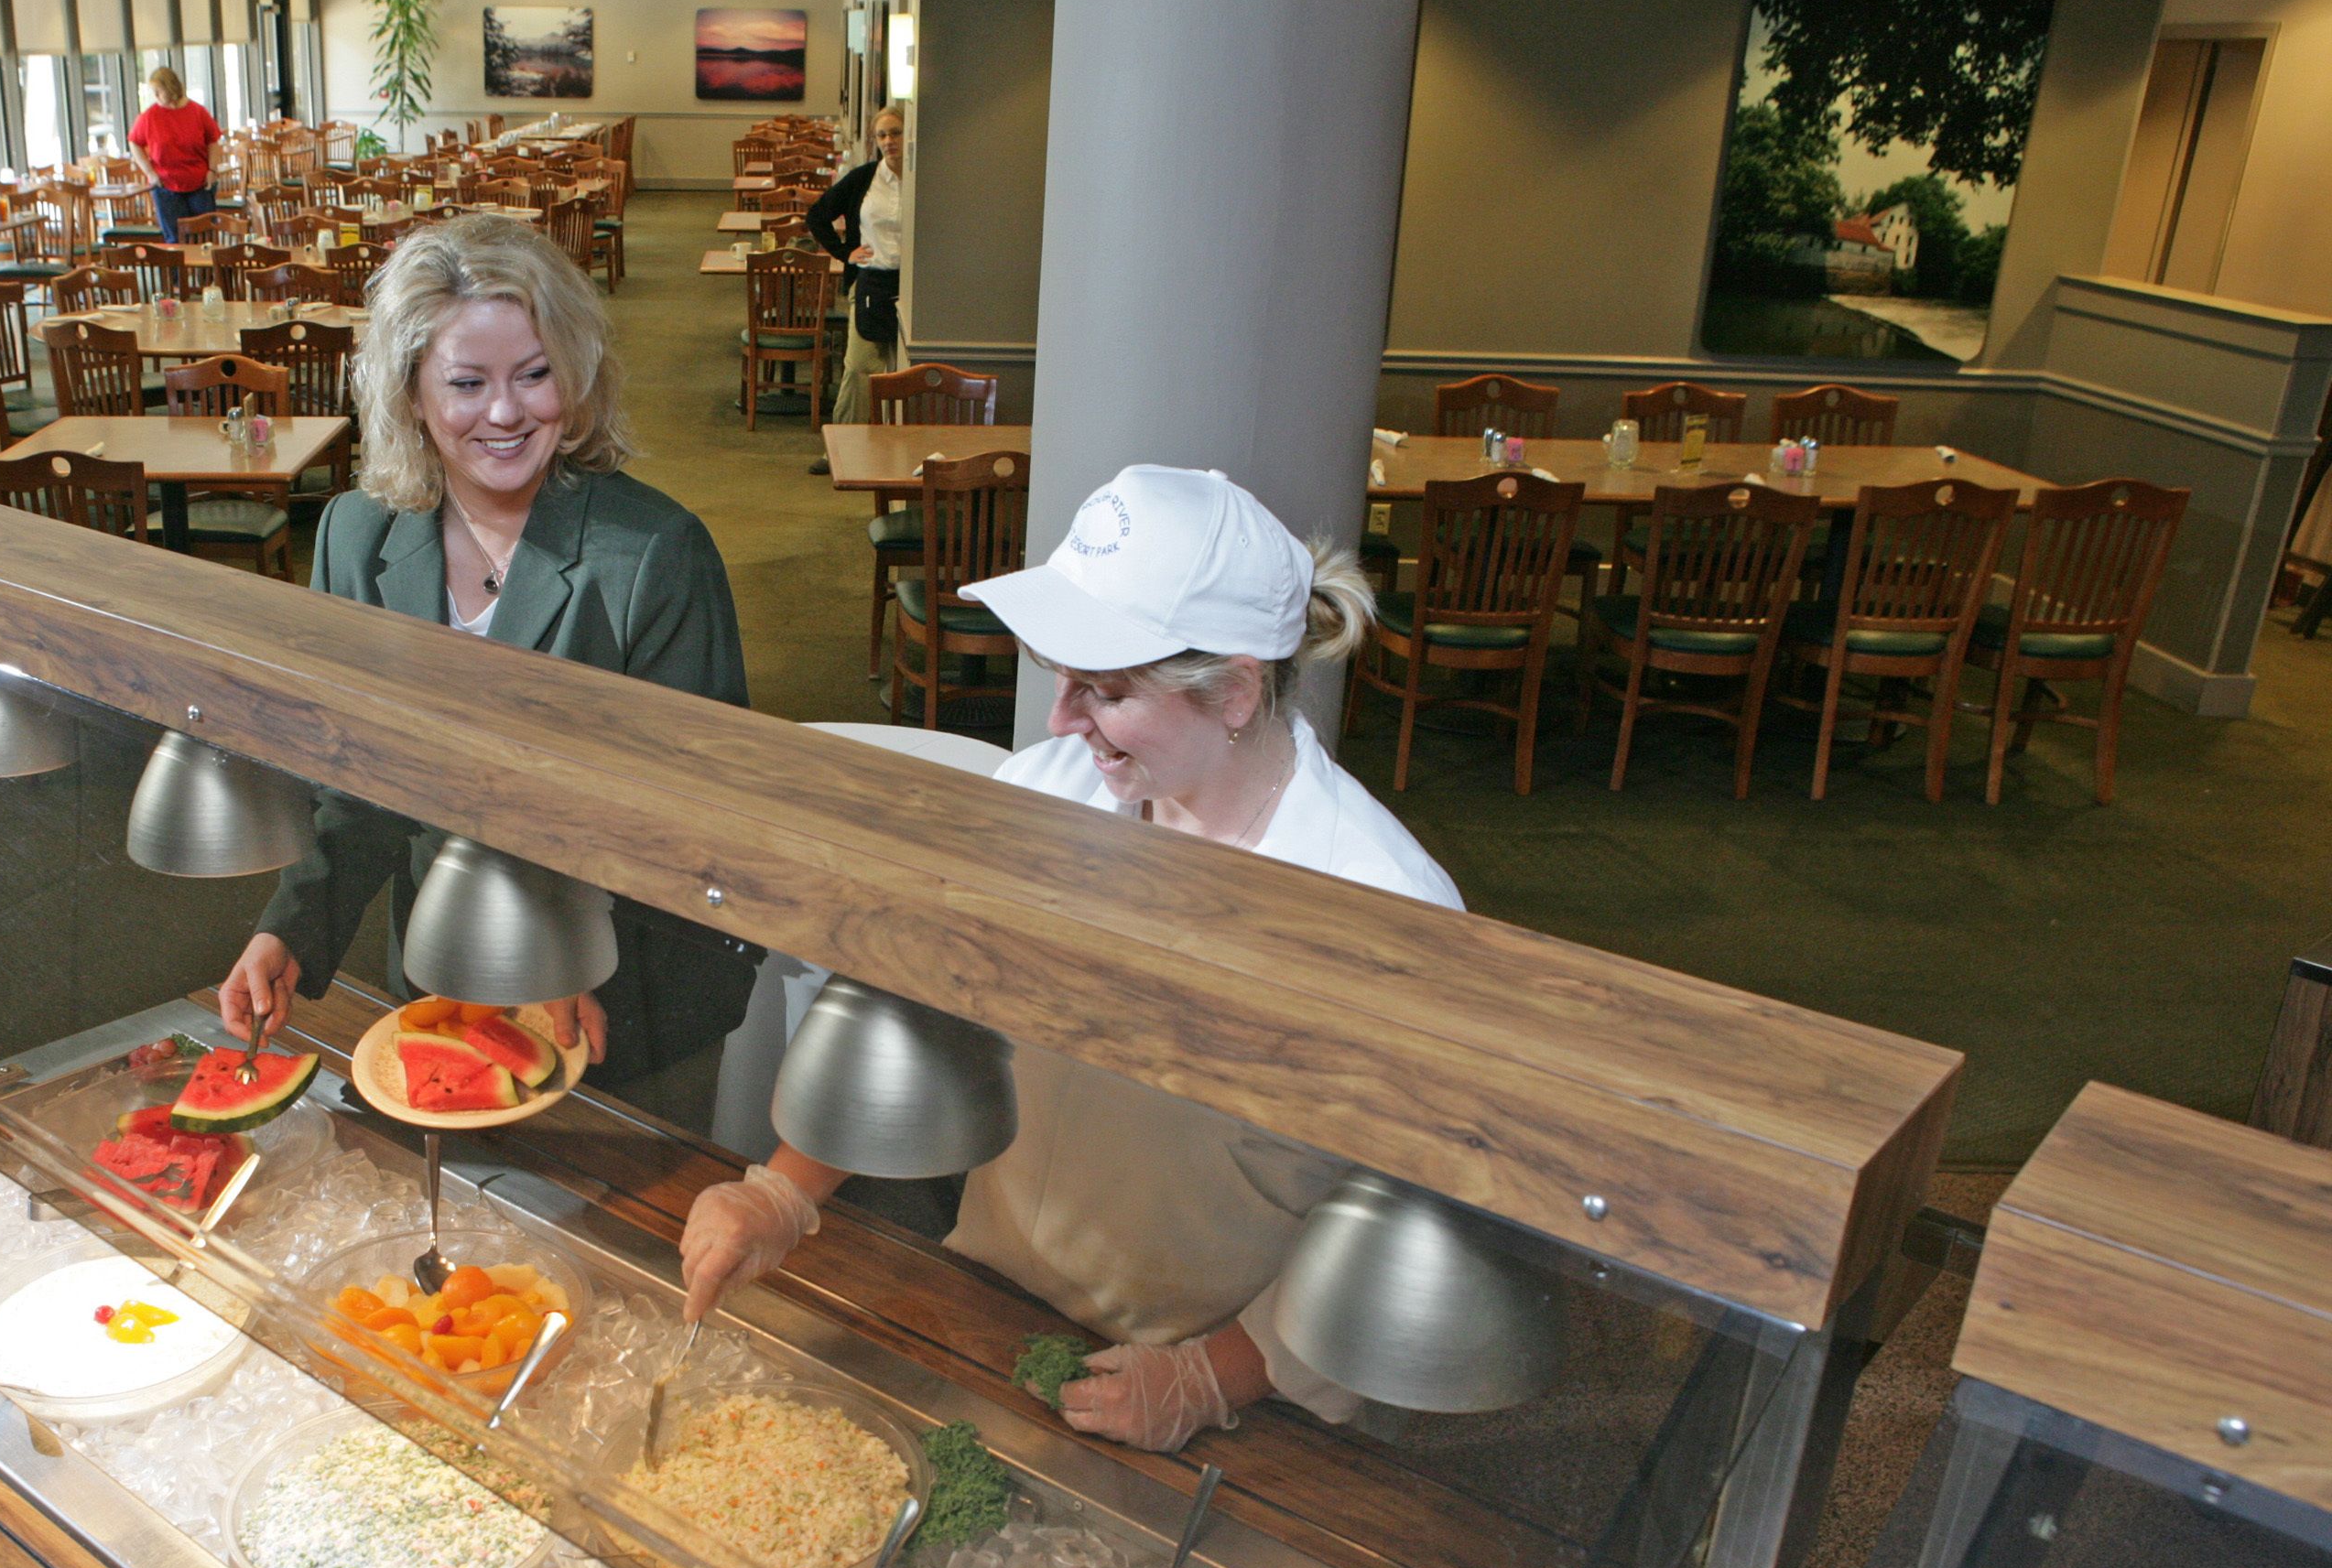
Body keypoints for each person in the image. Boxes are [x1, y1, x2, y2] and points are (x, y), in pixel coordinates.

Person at [677, 465, 1463, 1452]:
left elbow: (1393, 1224)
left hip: (1251, 1393)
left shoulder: (1382, 902)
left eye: (1104, 690)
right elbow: (925, 1016)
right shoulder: (1047, 792)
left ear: (1233, 689)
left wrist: (1209, 1378)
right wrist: (784, 1190)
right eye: (1061, 677)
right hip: (998, 1297)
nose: (1057, 721)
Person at [214, 214, 761, 1097]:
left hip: (628, 996)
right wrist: (292, 930)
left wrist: (564, 953)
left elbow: (698, 828)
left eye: (535, 375)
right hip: (443, 973)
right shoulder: (356, 538)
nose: (506, 413)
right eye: (467, 383)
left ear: (575, 379)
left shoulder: (658, 553)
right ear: (410, 395)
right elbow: (354, 784)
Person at [808, 106, 906, 434]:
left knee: (901, 372)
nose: (889, 141)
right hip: (870, 282)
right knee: (858, 368)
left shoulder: (924, 182)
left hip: (910, 288)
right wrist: (844, 252)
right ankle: (843, 443)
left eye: (896, 132)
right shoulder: (865, 178)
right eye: (882, 135)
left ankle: (894, 442)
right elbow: (818, 215)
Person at [129, 67, 222, 241]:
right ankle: (179, 269)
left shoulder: (197, 112)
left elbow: (213, 141)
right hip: (166, 185)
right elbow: (134, 142)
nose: (155, 96)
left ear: (171, 88)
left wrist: (212, 169)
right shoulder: (149, 117)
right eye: (153, 92)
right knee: (174, 239)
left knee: (205, 236)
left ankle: (207, 269)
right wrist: (149, 172)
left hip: (200, 183)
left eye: (159, 91)